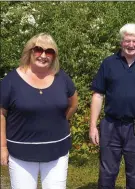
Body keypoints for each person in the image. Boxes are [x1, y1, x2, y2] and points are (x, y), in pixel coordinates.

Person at [89, 23, 135, 189]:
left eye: (134, 41)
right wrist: (93, 126)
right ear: (121, 42)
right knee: (107, 172)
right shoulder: (108, 63)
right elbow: (98, 95)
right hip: (110, 125)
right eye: (127, 41)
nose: (131, 45)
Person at [0, 33, 78, 189]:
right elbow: (1, 114)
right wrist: (2, 147)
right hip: (21, 154)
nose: (43, 55)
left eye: (49, 51)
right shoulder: (11, 81)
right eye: (38, 50)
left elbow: (73, 104)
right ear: (30, 51)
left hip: (57, 151)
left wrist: (57, 122)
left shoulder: (61, 77)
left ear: (54, 56)